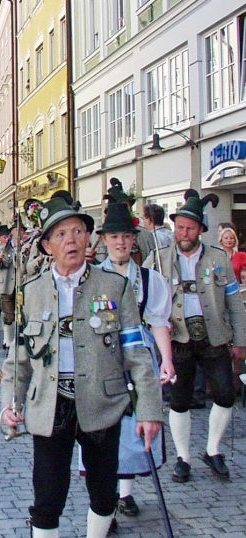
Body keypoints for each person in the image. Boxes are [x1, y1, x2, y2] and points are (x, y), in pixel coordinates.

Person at [0, 191, 162, 538]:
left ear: (90, 240)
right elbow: (18, 357)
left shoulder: (115, 285)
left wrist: (149, 410)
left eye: (78, 231)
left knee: (105, 494)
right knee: (47, 500)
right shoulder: (31, 289)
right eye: (61, 233)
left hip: (102, 404)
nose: (72, 240)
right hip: (50, 407)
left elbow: (137, 352)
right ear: (47, 245)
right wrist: (10, 403)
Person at [143, 190, 246, 483]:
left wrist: (240, 341)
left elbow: (234, 303)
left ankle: (213, 450)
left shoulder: (218, 258)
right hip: (179, 338)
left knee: (226, 394)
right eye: (179, 227)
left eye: (189, 228)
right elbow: (140, 294)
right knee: (180, 399)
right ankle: (183, 457)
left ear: (201, 229)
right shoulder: (159, 259)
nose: (183, 233)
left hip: (214, 335)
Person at [83, 202, 175, 517]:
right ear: (104, 241)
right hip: (103, 359)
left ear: (133, 239)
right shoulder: (91, 278)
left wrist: (166, 360)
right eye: (114, 237)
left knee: (134, 423)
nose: (120, 243)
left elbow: (159, 322)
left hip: (137, 357)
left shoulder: (149, 280)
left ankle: (126, 492)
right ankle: (103, 500)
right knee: (105, 425)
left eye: (125, 236)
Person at [0, 224, 18, 351]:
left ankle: (17, 342)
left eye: (7, 236)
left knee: (21, 315)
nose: (6, 239)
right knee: (8, 315)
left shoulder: (20, 246)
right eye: (3, 237)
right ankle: (8, 342)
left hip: (20, 285)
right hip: (6, 285)